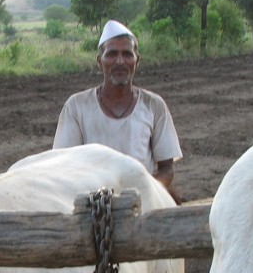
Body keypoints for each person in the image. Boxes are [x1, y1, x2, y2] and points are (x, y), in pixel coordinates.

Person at [53, 19, 182, 199]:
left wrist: (140, 195)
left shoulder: (154, 105)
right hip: (92, 208)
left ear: (137, 61)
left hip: (142, 202)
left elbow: (166, 170)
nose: (120, 61)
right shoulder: (76, 106)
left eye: (127, 54)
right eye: (112, 54)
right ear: (100, 61)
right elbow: (63, 168)